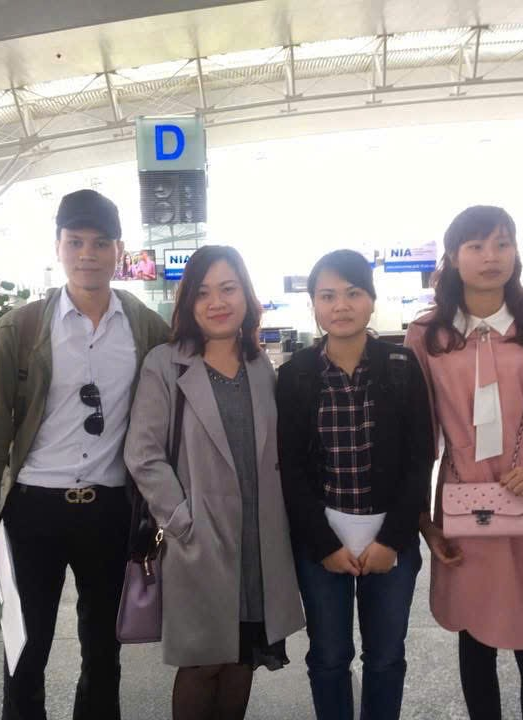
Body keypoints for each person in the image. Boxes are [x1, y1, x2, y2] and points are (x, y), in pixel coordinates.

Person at [0, 189, 169, 720]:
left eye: (100, 243)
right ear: (58, 246)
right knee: (24, 651)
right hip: (33, 510)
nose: (87, 254)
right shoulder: (23, 327)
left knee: (104, 652)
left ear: (119, 250)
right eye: (75, 242)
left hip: (110, 510)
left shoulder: (145, 328)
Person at [405, 206, 523, 720]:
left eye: (502, 243)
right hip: (464, 500)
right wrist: (424, 519)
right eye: (476, 246)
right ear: (453, 257)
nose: (491, 257)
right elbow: (418, 436)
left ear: (516, 252)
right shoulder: (426, 335)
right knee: (475, 632)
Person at [125, 246, 305, 720]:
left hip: (258, 539)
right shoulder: (166, 364)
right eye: (203, 293)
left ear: (246, 295)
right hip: (199, 538)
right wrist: (181, 520)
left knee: (242, 657)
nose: (217, 302)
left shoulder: (259, 367)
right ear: (188, 303)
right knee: (203, 662)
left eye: (228, 289)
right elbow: (143, 454)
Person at [275, 250, 434, 720]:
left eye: (352, 293)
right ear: (313, 305)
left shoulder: (401, 366)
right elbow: (291, 468)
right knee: (329, 656)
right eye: (327, 296)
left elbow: (419, 459)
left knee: (385, 656)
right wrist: (323, 545)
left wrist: (393, 540)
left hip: (390, 539)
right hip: (321, 542)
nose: (340, 306)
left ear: (371, 300)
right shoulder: (295, 375)